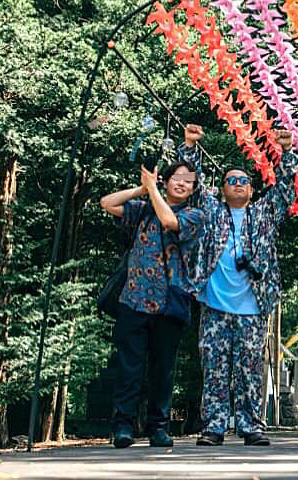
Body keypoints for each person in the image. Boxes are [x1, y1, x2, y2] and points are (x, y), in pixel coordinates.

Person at [178, 124, 298, 448]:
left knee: (249, 369)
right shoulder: (213, 212)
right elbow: (193, 183)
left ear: (251, 188)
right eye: (231, 180)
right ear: (223, 189)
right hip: (216, 305)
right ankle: (214, 426)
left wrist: (287, 152)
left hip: (252, 306)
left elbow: (285, 189)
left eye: (243, 180)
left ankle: (251, 426)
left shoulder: (263, 215)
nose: (238, 184)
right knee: (214, 367)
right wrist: (190, 146)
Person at [99, 158, 205, 449]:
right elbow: (106, 203)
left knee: (162, 369)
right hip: (134, 299)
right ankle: (122, 426)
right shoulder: (144, 209)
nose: (182, 183)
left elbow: (170, 221)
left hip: (170, 303)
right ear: (166, 181)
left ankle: (158, 427)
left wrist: (153, 192)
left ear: (193, 188)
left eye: (188, 180)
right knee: (129, 367)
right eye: (177, 177)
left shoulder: (195, 215)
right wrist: (142, 189)